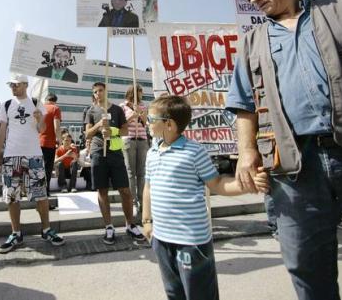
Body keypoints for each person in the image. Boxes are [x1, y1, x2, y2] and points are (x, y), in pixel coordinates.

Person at [226, 0, 342, 300]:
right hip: (293, 168)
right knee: (307, 268)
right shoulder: (252, 41)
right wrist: (247, 151)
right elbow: (243, 104)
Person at [142, 94, 268, 300]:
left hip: (191, 242)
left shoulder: (194, 152)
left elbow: (217, 183)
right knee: (174, 292)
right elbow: (148, 187)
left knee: (199, 294)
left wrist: (247, 185)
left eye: (151, 119)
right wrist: (147, 222)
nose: (147, 123)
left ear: (169, 124)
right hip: (161, 239)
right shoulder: (152, 152)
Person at [0, 74, 65, 253]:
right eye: (11, 85)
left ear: (25, 85)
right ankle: (16, 233)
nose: (13, 87)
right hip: (12, 155)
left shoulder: (36, 102)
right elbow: (1, 131)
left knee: (41, 195)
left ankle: (46, 230)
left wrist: (40, 118)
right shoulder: (6, 105)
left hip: (34, 155)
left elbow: (41, 130)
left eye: (16, 85)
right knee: (11, 196)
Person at [84, 82, 145, 245]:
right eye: (95, 92)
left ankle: (130, 224)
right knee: (102, 190)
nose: (98, 94)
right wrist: (99, 125)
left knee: (125, 190)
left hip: (115, 152)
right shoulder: (90, 111)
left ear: (106, 91)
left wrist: (113, 131)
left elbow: (125, 130)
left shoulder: (117, 110)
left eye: (101, 91)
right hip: (98, 152)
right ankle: (109, 227)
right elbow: (87, 134)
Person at [120, 84, 149, 215]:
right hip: (129, 139)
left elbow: (145, 122)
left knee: (142, 173)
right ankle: (133, 202)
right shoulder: (123, 106)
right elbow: (122, 123)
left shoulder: (143, 105)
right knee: (130, 173)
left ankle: (143, 202)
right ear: (134, 92)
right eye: (140, 92)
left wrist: (141, 113)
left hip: (142, 139)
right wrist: (132, 114)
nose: (142, 94)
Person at [38, 93, 62, 197]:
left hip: (37, 142)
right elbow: (56, 127)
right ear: (55, 101)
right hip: (49, 143)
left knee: (38, 169)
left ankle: (38, 192)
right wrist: (60, 140)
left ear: (46, 99)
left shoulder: (39, 108)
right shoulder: (55, 108)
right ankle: (45, 193)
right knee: (47, 169)